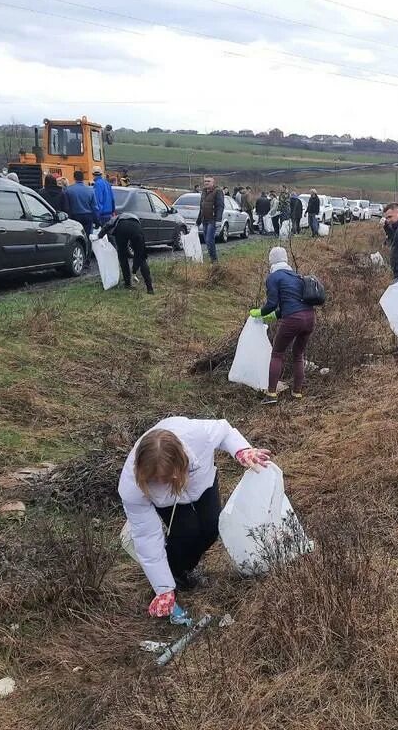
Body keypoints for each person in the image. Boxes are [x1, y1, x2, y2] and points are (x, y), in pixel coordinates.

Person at [118, 417, 272, 616]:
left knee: (211, 527)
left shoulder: (198, 435)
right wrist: (163, 589)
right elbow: (147, 536)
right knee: (186, 532)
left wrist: (241, 449)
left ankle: (183, 568)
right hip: (166, 501)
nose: (161, 483)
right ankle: (175, 575)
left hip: (202, 483)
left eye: (165, 478)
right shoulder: (132, 487)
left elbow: (225, 431)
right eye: (156, 480)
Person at [249, 246, 316, 404]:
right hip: (310, 318)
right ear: (286, 260)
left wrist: (261, 312)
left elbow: (272, 304)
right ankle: (297, 393)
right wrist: (276, 315)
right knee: (298, 354)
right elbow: (292, 303)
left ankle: (271, 394)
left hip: (293, 319)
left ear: (271, 261)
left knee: (277, 353)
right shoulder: (296, 276)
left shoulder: (274, 277)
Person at [98, 212, 154, 294]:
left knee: (122, 256)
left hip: (121, 229)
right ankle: (150, 288)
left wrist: (99, 235)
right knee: (141, 258)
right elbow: (138, 253)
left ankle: (127, 283)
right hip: (136, 230)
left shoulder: (118, 217)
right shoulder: (136, 218)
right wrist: (135, 267)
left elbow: (108, 225)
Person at [65, 170, 100, 266]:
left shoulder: (68, 190)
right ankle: (87, 260)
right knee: (88, 237)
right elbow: (95, 207)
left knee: (76, 238)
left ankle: (77, 257)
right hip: (88, 217)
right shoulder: (90, 190)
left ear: (74, 178)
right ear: (83, 178)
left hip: (74, 217)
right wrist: (97, 220)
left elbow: (67, 206)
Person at [197, 176, 224, 262]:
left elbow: (220, 206)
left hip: (212, 220)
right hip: (204, 219)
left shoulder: (218, 191)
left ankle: (214, 260)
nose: (206, 183)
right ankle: (211, 258)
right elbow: (201, 207)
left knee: (209, 239)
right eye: (205, 181)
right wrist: (198, 221)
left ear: (213, 182)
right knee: (206, 240)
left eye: (208, 181)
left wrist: (218, 220)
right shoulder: (204, 192)